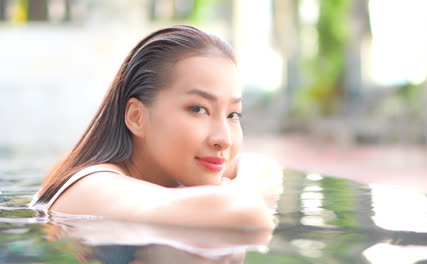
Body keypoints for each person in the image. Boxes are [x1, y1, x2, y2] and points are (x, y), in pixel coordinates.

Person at [29, 25, 274, 228]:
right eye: (198, 109)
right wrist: (244, 188)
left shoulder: (171, 171)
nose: (224, 140)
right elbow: (246, 214)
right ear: (137, 117)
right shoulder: (94, 187)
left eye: (233, 114)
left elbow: (260, 165)